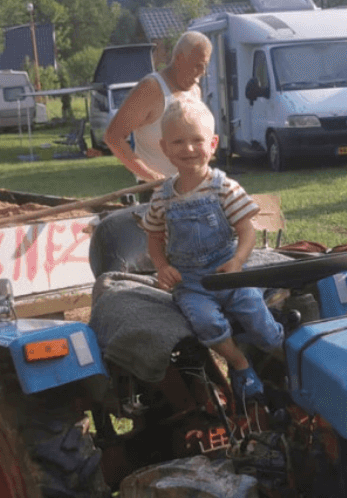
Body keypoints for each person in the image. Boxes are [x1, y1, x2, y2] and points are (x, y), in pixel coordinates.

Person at [141, 98, 283, 405]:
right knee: (206, 323)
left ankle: (285, 355)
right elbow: (154, 237)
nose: (188, 149)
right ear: (165, 148)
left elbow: (246, 230)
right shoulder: (162, 196)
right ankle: (240, 364)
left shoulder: (223, 187)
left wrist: (237, 261)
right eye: (178, 141)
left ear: (213, 143)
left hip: (228, 274)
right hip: (192, 284)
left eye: (196, 140)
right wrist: (162, 266)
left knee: (261, 324)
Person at [105, 31, 211, 183]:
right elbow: (112, 137)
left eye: (204, 67)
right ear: (179, 59)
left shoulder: (195, 91)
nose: (201, 73)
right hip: (156, 191)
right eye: (197, 66)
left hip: (190, 187)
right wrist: (150, 176)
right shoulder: (151, 89)